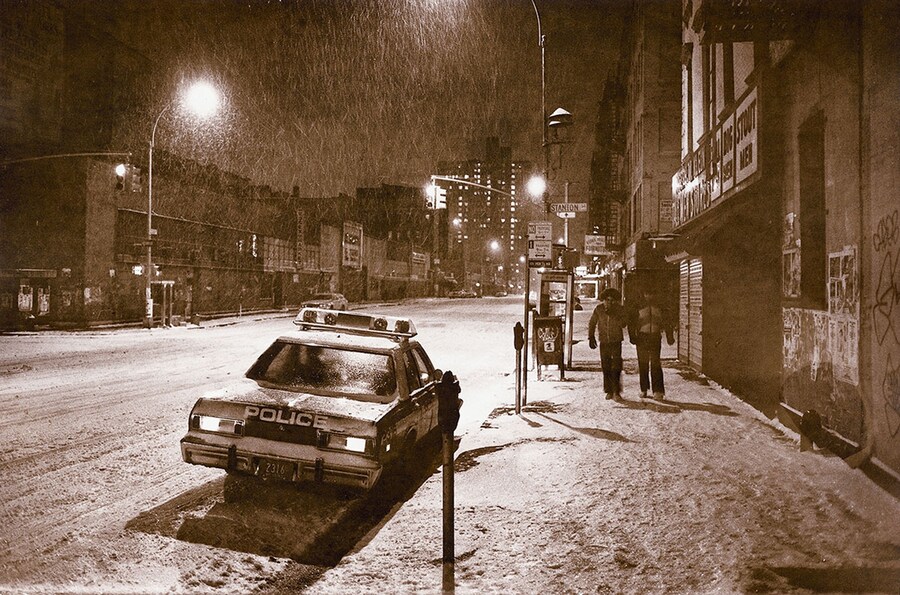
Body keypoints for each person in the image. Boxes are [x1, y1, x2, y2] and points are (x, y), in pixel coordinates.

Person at [628, 286, 675, 400]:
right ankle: (643, 389)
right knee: (643, 364)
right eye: (647, 294)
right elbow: (631, 322)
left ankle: (658, 390)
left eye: (652, 294)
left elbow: (667, 322)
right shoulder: (638, 306)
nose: (649, 296)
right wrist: (632, 336)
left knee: (655, 363)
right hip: (642, 337)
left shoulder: (660, 307)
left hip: (655, 337)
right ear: (643, 294)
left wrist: (669, 336)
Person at [588, 287, 628, 400]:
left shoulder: (620, 309)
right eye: (607, 300)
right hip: (604, 341)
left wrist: (615, 315)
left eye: (612, 300)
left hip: (616, 341)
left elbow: (624, 323)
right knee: (605, 366)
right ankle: (608, 390)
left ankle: (616, 391)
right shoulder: (599, 309)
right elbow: (592, 322)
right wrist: (591, 337)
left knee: (616, 366)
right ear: (603, 299)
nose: (609, 302)